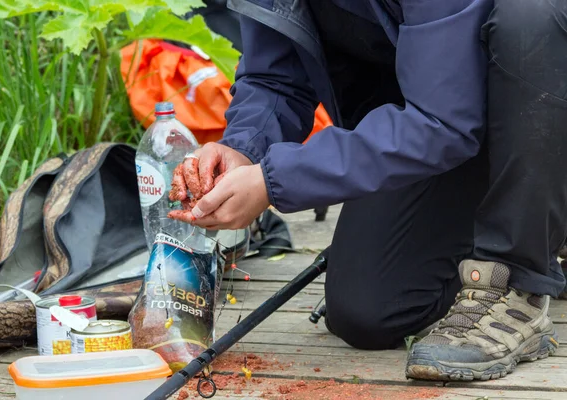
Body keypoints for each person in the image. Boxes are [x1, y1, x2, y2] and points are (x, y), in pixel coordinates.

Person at [167, 0, 567, 382]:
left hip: (512, 98)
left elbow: (442, 123)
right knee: (370, 309)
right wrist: (243, 148)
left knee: (532, 12)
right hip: (452, 115)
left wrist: (274, 181)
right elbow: (274, 74)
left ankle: (518, 282)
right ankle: (539, 215)